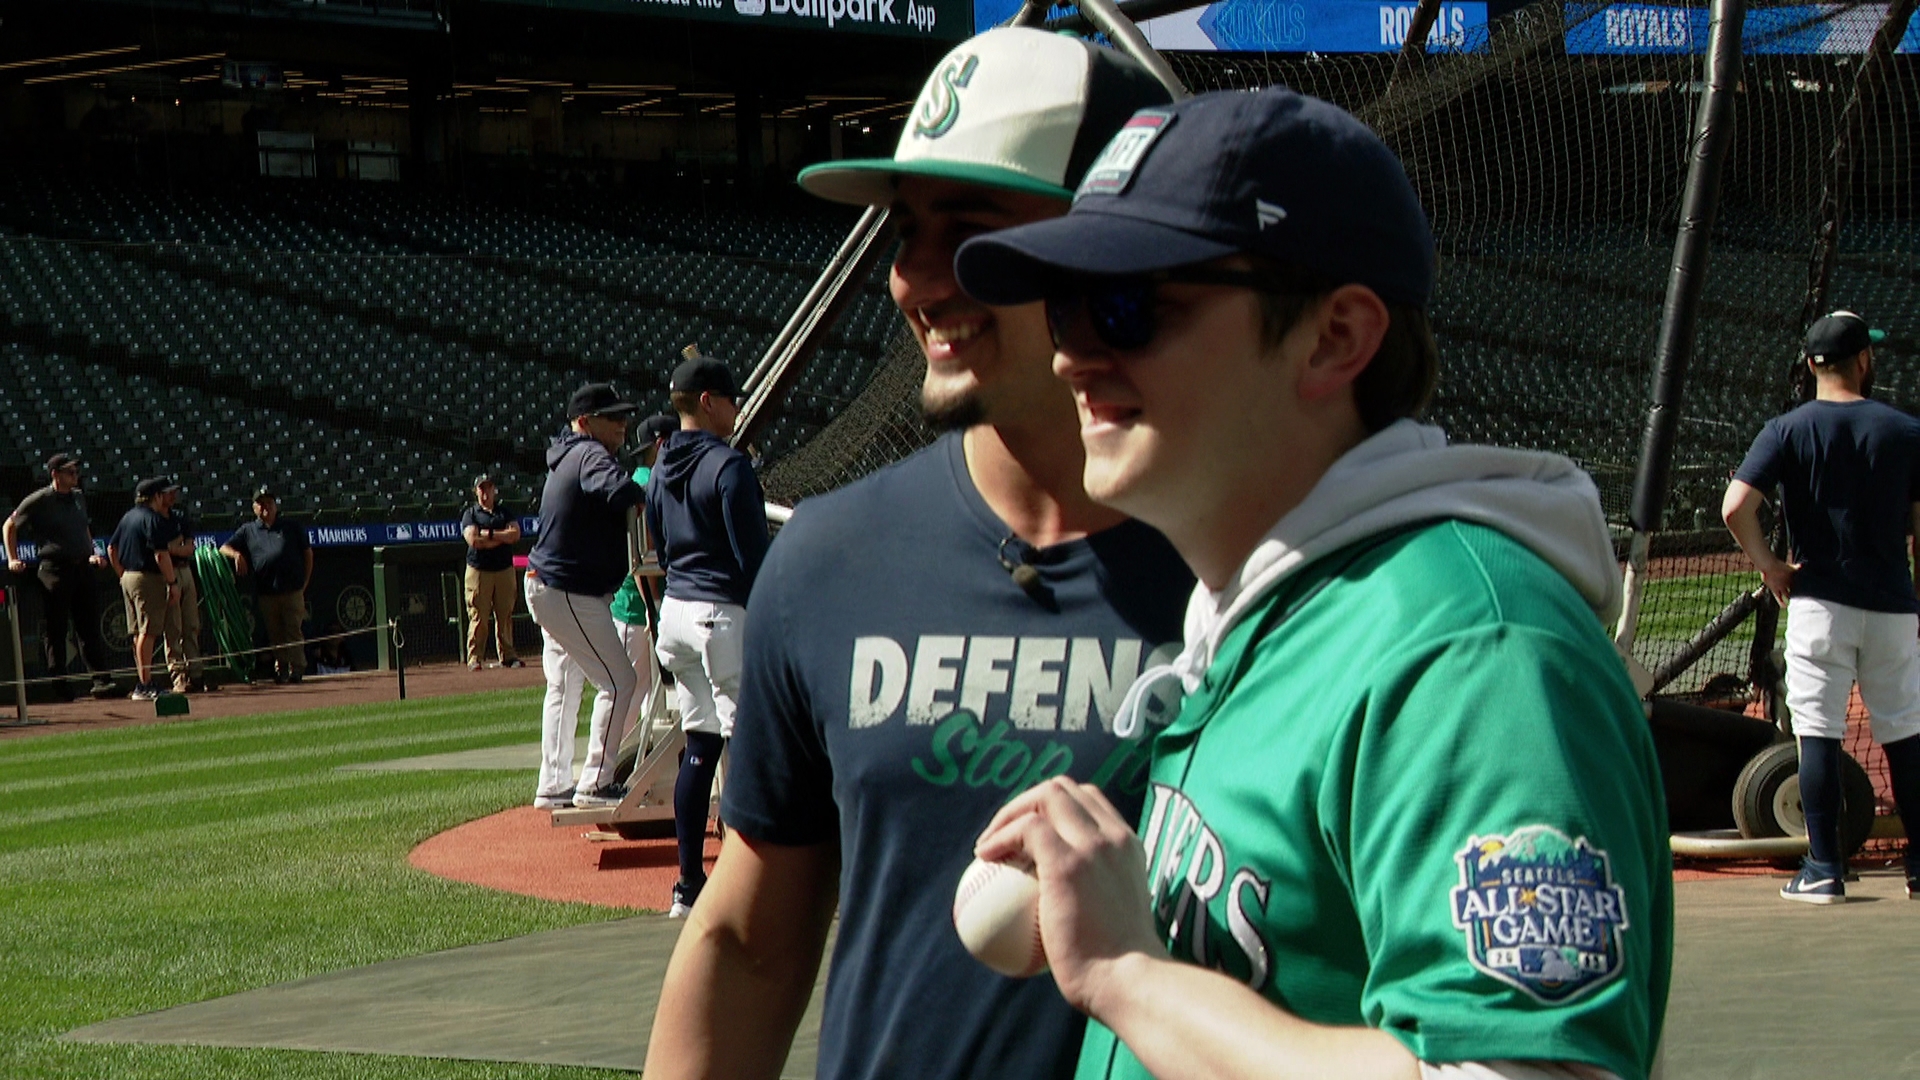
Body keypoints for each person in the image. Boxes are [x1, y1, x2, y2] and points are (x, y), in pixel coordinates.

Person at [956, 87, 1671, 1080]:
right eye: (1063, 309)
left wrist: (1131, 975)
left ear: (1337, 336)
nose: (1074, 356)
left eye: (1129, 306)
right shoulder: (1266, 621)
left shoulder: (1469, 652)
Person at [645, 28, 1186, 1080]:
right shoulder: (831, 560)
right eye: (906, 231)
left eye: (973, 230)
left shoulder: (1258, 571)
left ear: (1116, 246)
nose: (918, 281)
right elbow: (749, 941)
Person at [1723, 310, 1920, 904]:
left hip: (1818, 606)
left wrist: (1771, 566)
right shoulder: (1906, 430)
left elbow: (1736, 507)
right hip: (1890, 605)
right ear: (1864, 360)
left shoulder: (1785, 429)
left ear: (1811, 364)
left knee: (1818, 735)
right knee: (1906, 736)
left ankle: (1826, 869)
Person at [645, 358, 769, 919]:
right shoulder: (729, 466)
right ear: (710, 402)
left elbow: (661, 547)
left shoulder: (662, 462)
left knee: (699, 747)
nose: (738, 408)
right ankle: (749, 883)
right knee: (745, 746)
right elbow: (754, 559)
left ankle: (688, 885)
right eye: (732, 398)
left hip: (676, 613)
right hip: (721, 614)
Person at [527, 382, 645, 811]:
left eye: (623, 415)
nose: (622, 424)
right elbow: (619, 491)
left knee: (564, 684)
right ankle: (595, 781)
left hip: (548, 585)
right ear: (583, 422)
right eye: (612, 417)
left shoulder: (567, 455)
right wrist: (644, 496)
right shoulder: (589, 452)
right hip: (567, 590)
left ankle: (553, 782)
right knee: (620, 681)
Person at [3, 452, 117, 700]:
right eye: (69, 472)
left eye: (76, 472)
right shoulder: (40, 499)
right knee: (56, 629)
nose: (75, 476)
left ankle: (101, 680)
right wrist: (13, 558)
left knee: (88, 626)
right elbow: (9, 525)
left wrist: (93, 553)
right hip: (54, 570)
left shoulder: (77, 497)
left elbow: (84, 528)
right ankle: (60, 685)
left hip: (82, 568)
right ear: (55, 474)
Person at [220, 487, 312, 685]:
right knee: (275, 633)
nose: (266, 507)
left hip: (292, 589)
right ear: (254, 508)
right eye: (261, 504)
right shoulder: (248, 530)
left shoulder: (291, 526)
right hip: (267, 592)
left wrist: (305, 581)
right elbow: (223, 547)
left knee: (293, 630)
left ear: (276, 505)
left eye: (269, 503)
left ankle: (297, 669)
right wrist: (236, 555)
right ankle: (282, 669)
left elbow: (307, 553)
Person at [107, 477, 183, 702]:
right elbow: (161, 555)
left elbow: (112, 548)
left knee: (138, 632)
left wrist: (122, 575)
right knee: (147, 631)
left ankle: (143, 680)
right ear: (156, 496)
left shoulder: (128, 516)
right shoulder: (152, 519)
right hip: (147, 577)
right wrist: (172, 583)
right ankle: (144, 684)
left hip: (129, 576)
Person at [461, 474, 525, 672]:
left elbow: (515, 534)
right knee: (479, 616)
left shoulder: (504, 512)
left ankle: (508, 656)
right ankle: (475, 658)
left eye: (488, 488)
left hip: (504, 569)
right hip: (479, 570)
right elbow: (473, 540)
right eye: (481, 488)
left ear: (494, 490)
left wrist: (488, 533)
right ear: (476, 491)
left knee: (504, 615)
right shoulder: (470, 514)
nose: (485, 492)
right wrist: (501, 537)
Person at [163, 491, 208, 693]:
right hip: (167, 574)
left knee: (191, 624)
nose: (172, 496)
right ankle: (178, 677)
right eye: (167, 493)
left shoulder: (180, 517)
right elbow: (159, 550)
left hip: (185, 571)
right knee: (173, 628)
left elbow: (189, 548)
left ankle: (196, 675)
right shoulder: (154, 519)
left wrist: (172, 548)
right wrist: (173, 548)